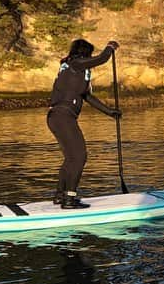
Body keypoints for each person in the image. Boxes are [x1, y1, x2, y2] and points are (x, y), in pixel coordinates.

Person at [48, 38, 121, 209]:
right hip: (62, 117)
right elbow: (101, 59)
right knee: (80, 157)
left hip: (58, 118)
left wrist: (110, 112)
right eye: (88, 54)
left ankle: (60, 195)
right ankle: (69, 199)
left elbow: (87, 97)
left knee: (71, 158)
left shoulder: (76, 70)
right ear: (84, 53)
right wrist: (110, 47)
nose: (89, 58)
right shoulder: (75, 63)